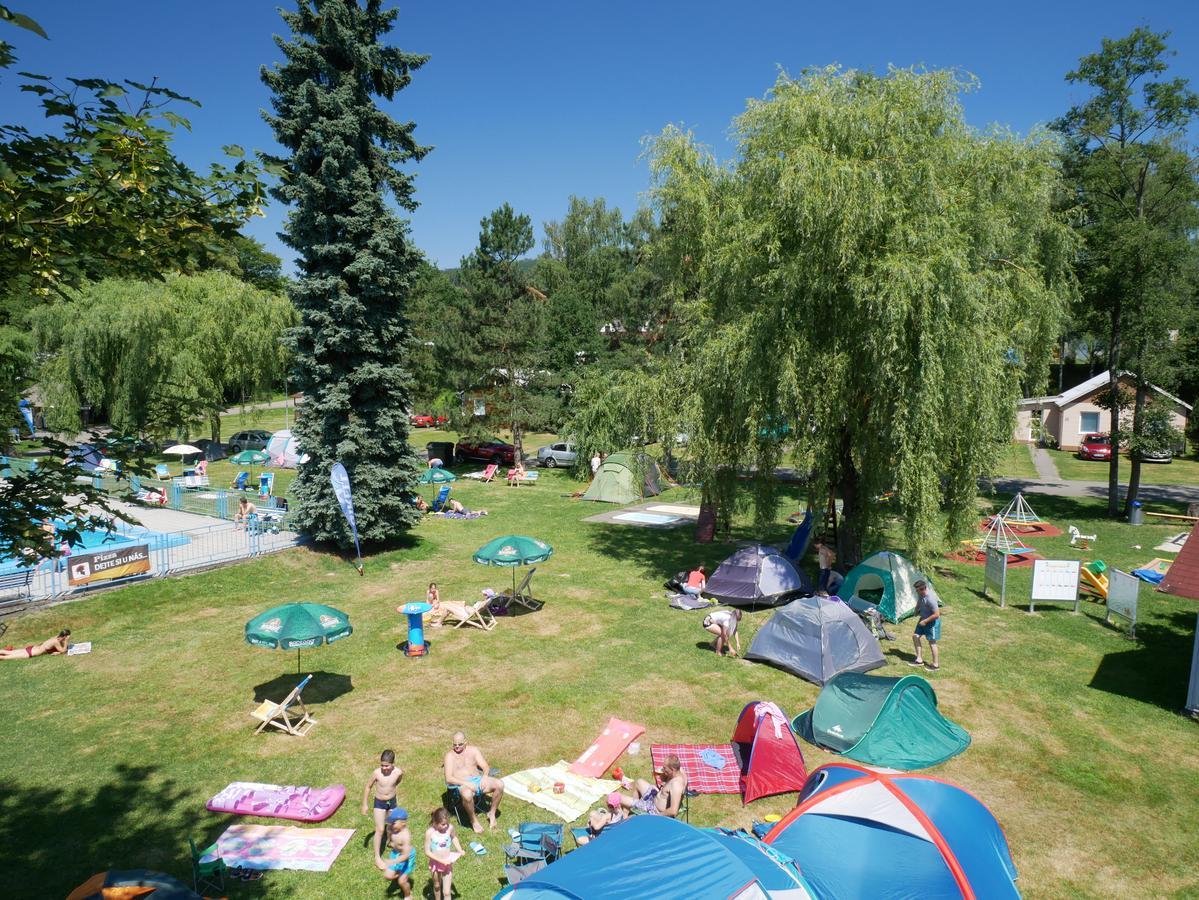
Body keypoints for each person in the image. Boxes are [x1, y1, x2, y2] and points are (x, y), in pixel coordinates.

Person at [443, 731, 504, 833]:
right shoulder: (449, 756)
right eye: (454, 745)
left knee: (500, 784)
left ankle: (491, 813)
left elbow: (485, 766)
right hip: (461, 783)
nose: (457, 747)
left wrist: (484, 777)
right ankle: (474, 820)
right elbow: (448, 778)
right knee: (467, 795)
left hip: (478, 780)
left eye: (460, 744)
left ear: (466, 742)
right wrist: (467, 784)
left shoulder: (473, 751)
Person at [362, 749, 404, 867]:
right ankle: (377, 857)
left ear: (393, 764)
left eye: (387, 765)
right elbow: (368, 787)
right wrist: (365, 804)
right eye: (382, 765)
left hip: (392, 801)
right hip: (379, 802)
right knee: (380, 829)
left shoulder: (398, 772)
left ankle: (390, 841)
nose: (384, 768)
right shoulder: (377, 773)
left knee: (392, 824)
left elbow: (398, 780)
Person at [617, 755, 688, 818]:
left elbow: (673, 811)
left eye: (665, 768)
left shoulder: (676, 785)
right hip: (655, 798)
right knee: (639, 782)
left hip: (653, 810)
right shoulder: (679, 771)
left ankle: (628, 812)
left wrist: (656, 817)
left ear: (672, 770)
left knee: (617, 797)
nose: (663, 770)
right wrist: (663, 776)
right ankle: (632, 808)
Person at [425, 807, 464, 900]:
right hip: (436, 864)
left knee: (447, 892)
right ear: (435, 822)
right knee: (437, 886)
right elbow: (427, 851)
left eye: (447, 823)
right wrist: (440, 860)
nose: (446, 826)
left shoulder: (449, 828)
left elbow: (454, 837)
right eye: (443, 824)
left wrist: (459, 849)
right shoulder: (430, 832)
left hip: (447, 863)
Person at [379, 807, 414, 897]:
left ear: (403, 823)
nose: (391, 825)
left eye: (393, 823)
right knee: (388, 876)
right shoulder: (392, 828)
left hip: (406, 857)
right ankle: (399, 873)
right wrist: (390, 841)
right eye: (390, 822)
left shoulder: (405, 836)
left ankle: (408, 895)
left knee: (402, 881)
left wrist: (393, 861)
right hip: (395, 854)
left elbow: (406, 855)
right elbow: (389, 831)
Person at [910, 580, 941, 671]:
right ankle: (919, 660)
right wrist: (916, 610)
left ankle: (935, 665)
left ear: (922, 589)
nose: (916, 592)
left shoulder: (930, 599)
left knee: (932, 642)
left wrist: (925, 621)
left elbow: (936, 614)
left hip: (931, 622)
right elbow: (919, 602)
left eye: (917, 590)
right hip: (923, 619)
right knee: (915, 636)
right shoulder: (921, 594)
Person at [0, 628, 70, 660]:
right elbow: (63, 651)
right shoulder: (56, 642)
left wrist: (58, 652)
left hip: (31, 649)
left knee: (8, 652)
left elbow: (60, 648)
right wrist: (66, 641)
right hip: (30, 653)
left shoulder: (55, 637)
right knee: (6, 657)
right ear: (64, 636)